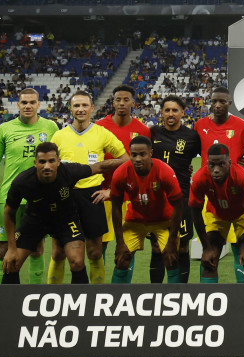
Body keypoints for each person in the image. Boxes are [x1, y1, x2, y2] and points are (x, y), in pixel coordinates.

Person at [0, 142, 118, 284]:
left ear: (58, 162)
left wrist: (128, 161)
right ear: (35, 163)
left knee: (77, 261)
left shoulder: (69, 171)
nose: (47, 166)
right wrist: (11, 248)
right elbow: (9, 212)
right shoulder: (22, 181)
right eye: (42, 162)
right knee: (12, 263)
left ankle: (80, 303)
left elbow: (99, 167)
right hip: (34, 221)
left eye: (51, 161)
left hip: (65, 220)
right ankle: (9, 304)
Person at [0, 87, 59, 284]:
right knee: (2, 250)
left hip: (39, 198)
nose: (28, 106)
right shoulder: (4, 129)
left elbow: (59, 160)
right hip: (8, 198)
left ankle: (34, 295)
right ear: (18, 104)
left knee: (37, 249)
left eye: (32, 102)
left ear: (39, 104)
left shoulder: (51, 127)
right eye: (24, 102)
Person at [50, 90, 127, 284]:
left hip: (92, 196)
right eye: (76, 105)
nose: (81, 109)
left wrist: (107, 184)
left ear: (92, 108)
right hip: (64, 197)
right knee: (59, 252)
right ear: (70, 109)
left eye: (85, 105)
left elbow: (125, 159)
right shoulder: (59, 136)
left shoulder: (102, 133)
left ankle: (95, 298)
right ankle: (51, 295)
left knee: (94, 253)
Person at [194, 85, 244, 279]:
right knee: (209, 254)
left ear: (229, 103)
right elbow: (191, 152)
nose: (217, 105)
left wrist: (243, 167)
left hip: (238, 193)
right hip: (212, 195)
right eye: (214, 101)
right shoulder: (200, 126)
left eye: (222, 101)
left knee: (240, 250)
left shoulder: (243, 127)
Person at [109, 137, 184, 284]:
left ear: (151, 153)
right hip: (135, 221)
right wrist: (119, 242)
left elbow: (178, 205)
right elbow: (116, 207)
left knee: (171, 259)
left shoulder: (164, 171)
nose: (137, 159)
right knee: (121, 259)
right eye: (133, 155)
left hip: (163, 221)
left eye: (142, 154)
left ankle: (176, 300)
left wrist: (172, 240)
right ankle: (116, 298)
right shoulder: (120, 173)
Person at [189, 143, 244, 283]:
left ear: (229, 162)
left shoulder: (242, 176)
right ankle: (208, 302)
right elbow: (196, 213)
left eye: (221, 164)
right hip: (217, 214)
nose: (216, 170)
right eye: (212, 165)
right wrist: (206, 247)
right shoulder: (199, 178)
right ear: (207, 163)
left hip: (242, 213)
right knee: (209, 259)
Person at [149, 95, 200, 283]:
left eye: (175, 110)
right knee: (156, 246)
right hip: (156, 197)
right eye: (167, 110)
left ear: (183, 113)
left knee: (182, 246)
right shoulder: (153, 132)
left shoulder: (192, 136)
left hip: (181, 197)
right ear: (161, 112)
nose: (170, 114)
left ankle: (181, 291)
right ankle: (155, 291)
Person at [96, 84, 151, 150]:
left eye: (126, 100)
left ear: (133, 103)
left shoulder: (143, 130)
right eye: (118, 100)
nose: (121, 103)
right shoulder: (99, 127)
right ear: (113, 103)